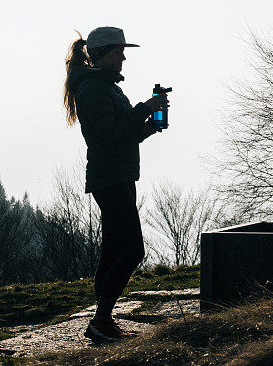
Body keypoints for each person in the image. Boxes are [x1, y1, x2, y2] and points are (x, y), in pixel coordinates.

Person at [63, 26, 169, 343]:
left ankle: (103, 319)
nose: (123, 57)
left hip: (120, 176)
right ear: (102, 55)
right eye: (118, 52)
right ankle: (100, 321)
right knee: (133, 250)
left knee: (112, 250)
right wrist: (144, 109)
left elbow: (124, 134)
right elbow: (110, 134)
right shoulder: (92, 90)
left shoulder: (109, 88)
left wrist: (151, 126)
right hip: (108, 179)